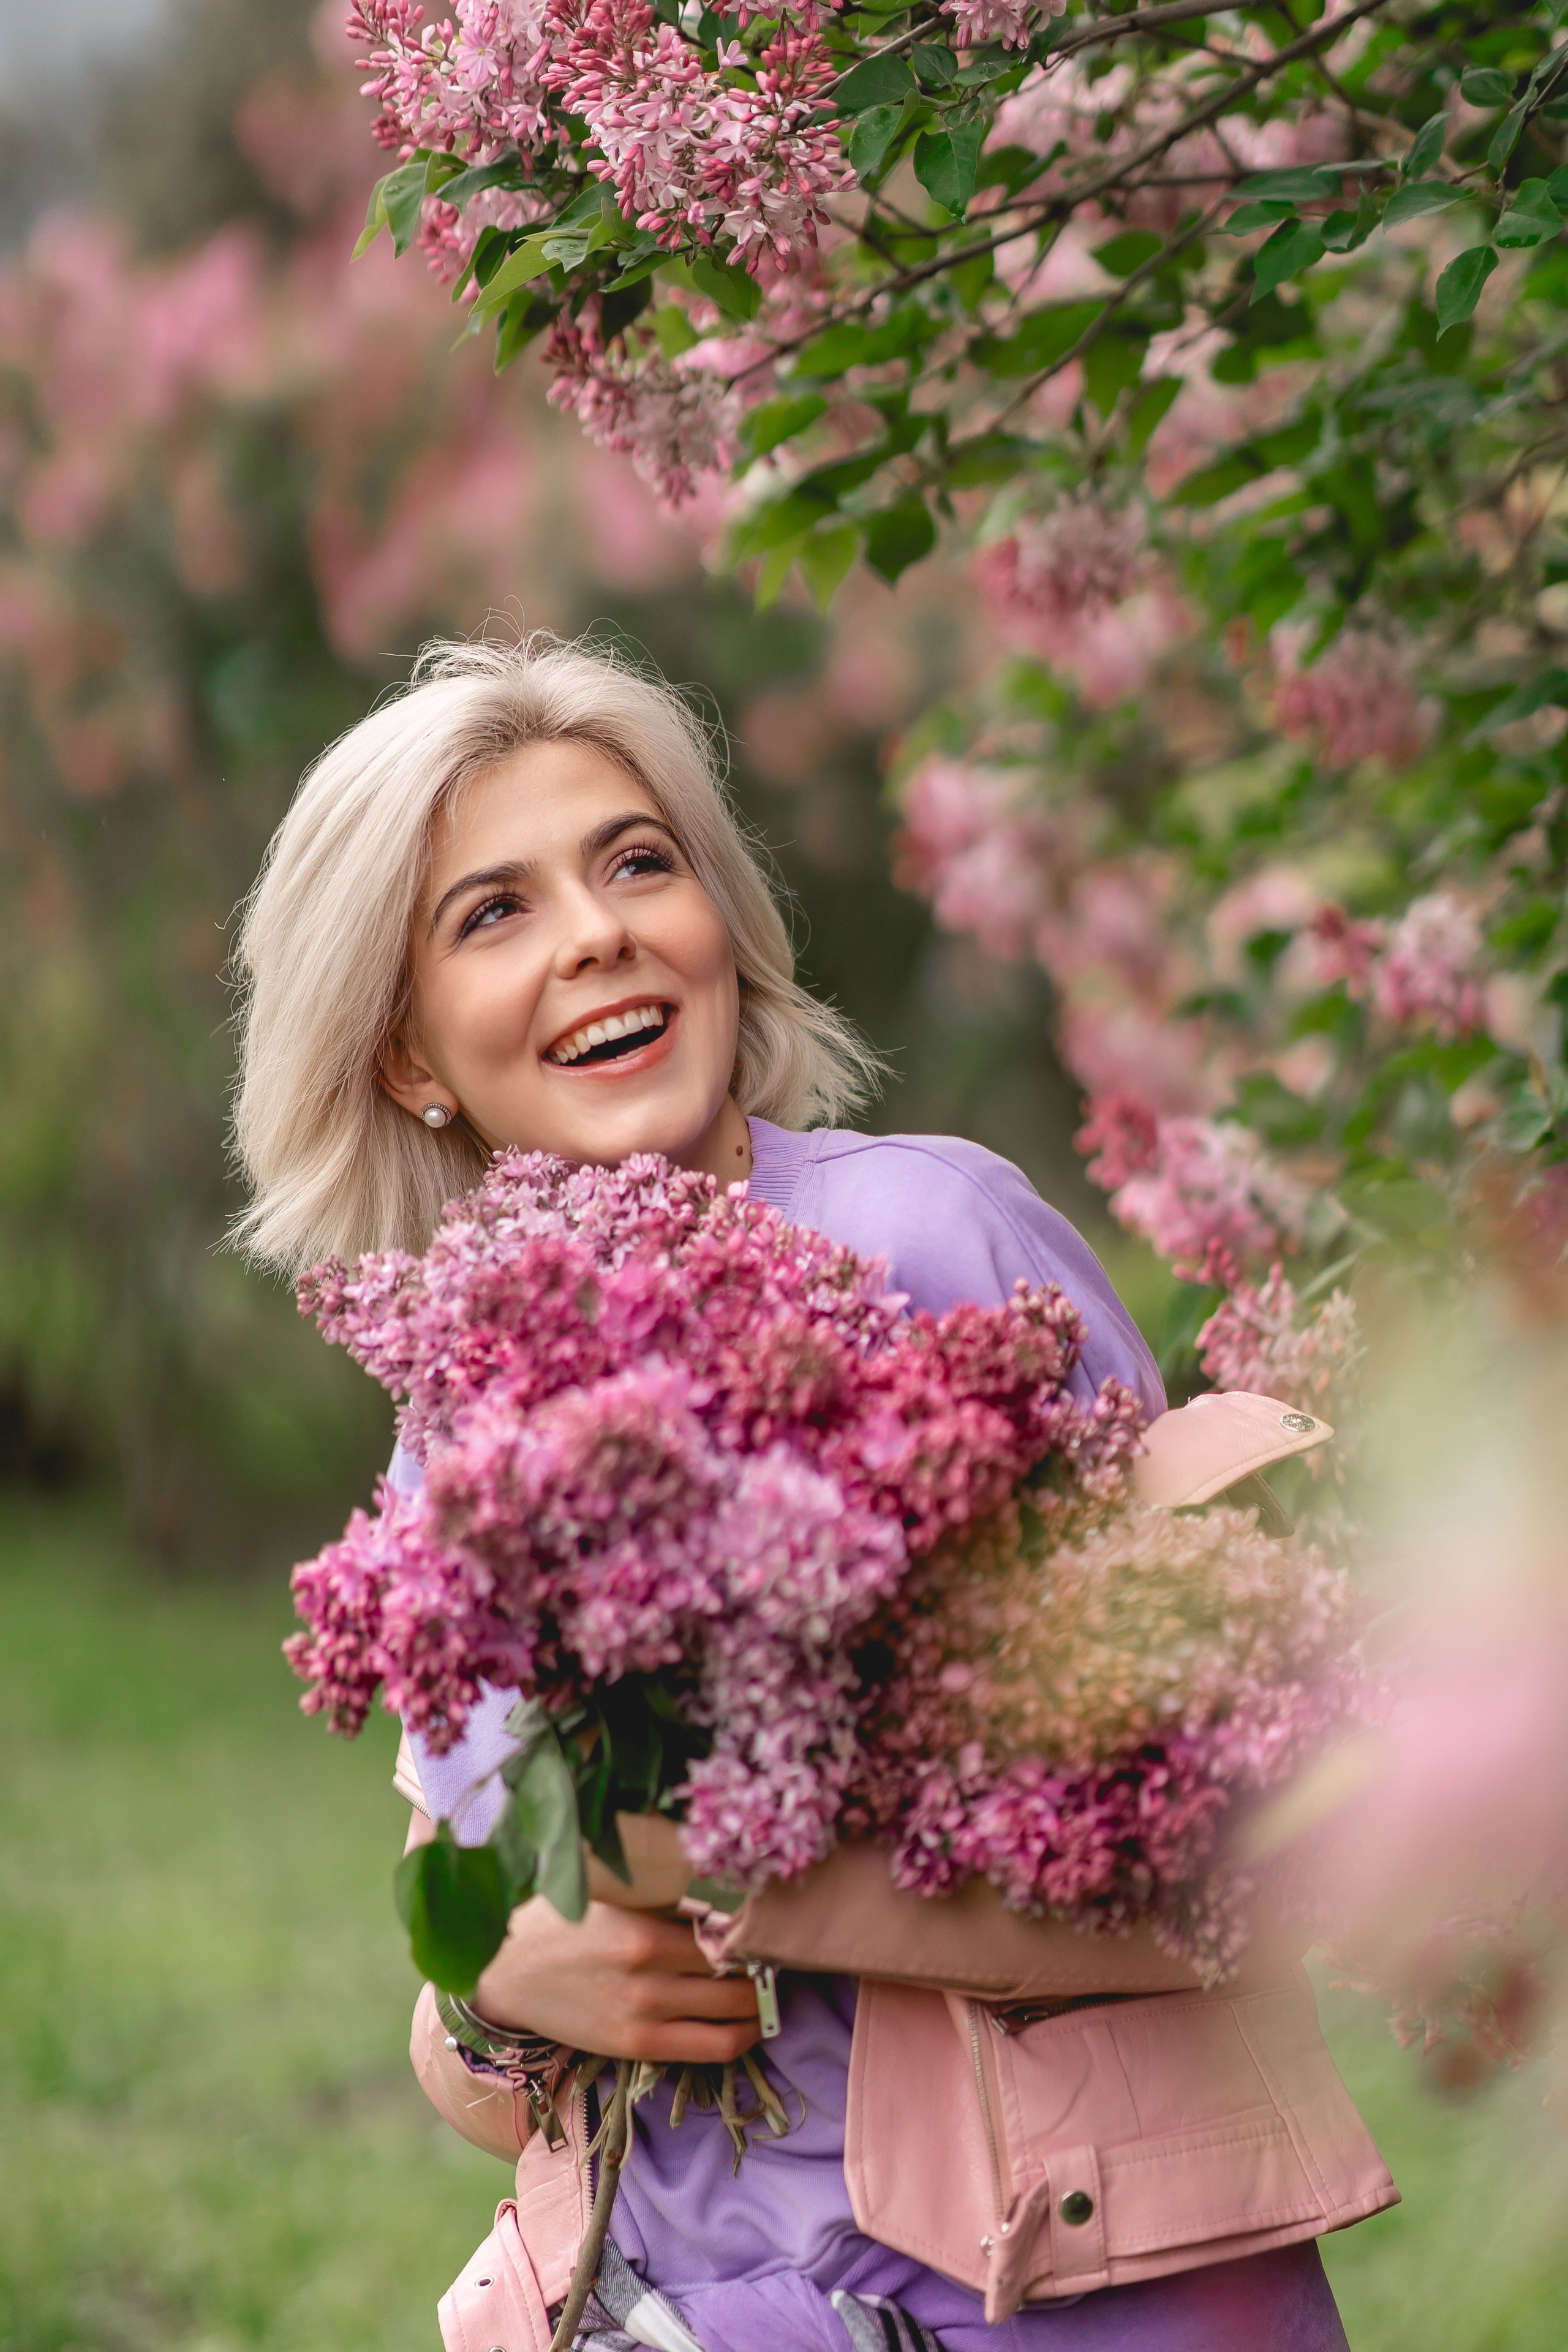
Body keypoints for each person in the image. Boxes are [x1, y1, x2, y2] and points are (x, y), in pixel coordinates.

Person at [232, 632, 1393, 2352]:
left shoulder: (933, 1237)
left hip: (1053, 2290)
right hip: (682, 2305)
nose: (600, 931)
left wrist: (759, 1873)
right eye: (495, 912)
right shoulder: (454, 1404)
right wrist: (488, 1987)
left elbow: (1233, 1818)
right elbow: (476, 1967)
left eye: (638, 864)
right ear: (405, 1053)